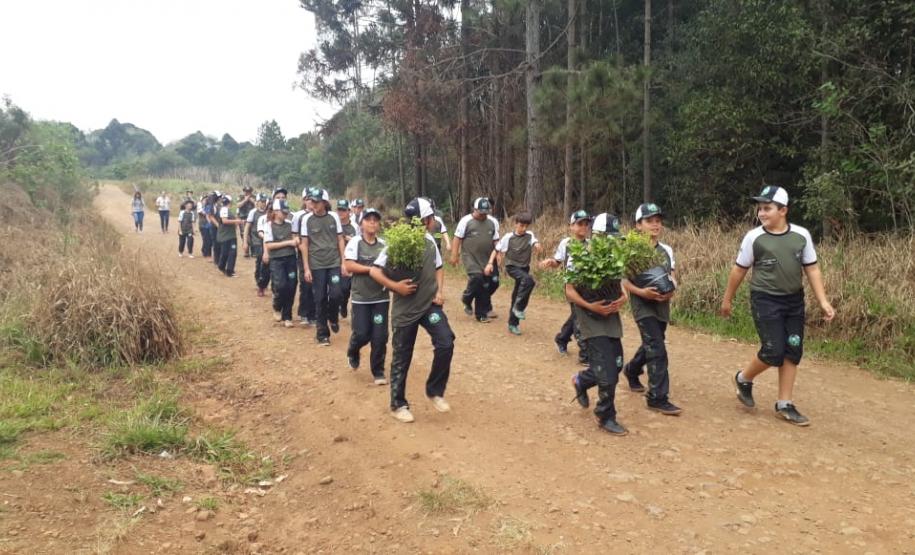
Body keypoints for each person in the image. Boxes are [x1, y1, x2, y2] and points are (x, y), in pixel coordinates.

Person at [721, 186, 835, 426]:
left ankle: (785, 404)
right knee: (773, 350)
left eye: (767, 208)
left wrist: (823, 301)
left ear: (783, 210)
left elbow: (812, 268)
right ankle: (744, 378)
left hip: (794, 300)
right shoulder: (754, 237)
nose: (761, 213)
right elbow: (739, 270)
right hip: (765, 299)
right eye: (760, 208)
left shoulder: (801, 236)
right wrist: (727, 299)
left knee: (793, 350)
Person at [369, 198, 454, 423]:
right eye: (432, 217)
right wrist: (395, 286)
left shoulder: (430, 241)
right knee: (402, 357)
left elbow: (438, 268)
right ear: (424, 220)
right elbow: (375, 271)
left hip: (428, 307)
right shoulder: (400, 242)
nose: (434, 220)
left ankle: (434, 390)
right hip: (405, 311)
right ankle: (397, 404)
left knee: (446, 342)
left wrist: (439, 291)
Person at [620, 203, 682, 416]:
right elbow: (623, 280)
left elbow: (672, 275)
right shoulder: (630, 249)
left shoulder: (666, 250)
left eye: (657, 220)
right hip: (642, 305)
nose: (655, 225)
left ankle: (632, 369)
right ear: (638, 225)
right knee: (657, 348)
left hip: (662, 305)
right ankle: (657, 397)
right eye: (649, 221)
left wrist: (672, 289)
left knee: (652, 343)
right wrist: (641, 292)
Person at [343, 208, 389, 385]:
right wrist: (371, 270)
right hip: (361, 297)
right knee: (362, 333)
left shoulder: (384, 245)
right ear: (362, 223)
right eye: (368, 219)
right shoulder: (355, 242)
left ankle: (378, 371)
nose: (372, 223)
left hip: (381, 297)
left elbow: (389, 267)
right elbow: (349, 266)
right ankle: (353, 350)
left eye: (375, 220)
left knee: (380, 336)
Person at [540, 210, 592, 363]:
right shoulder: (566, 243)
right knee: (579, 319)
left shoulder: (591, 245)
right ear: (571, 226)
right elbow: (558, 261)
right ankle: (585, 355)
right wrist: (550, 262)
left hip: (587, 287)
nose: (583, 227)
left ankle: (561, 339)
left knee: (577, 315)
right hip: (571, 287)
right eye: (579, 224)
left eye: (586, 224)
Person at [300, 188, 348, 346]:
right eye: (311, 201)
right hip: (317, 265)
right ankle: (322, 334)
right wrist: (306, 268)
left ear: (324, 202)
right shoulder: (307, 219)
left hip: (333, 263)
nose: (313, 204)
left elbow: (340, 239)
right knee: (319, 298)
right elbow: (304, 244)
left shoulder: (334, 217)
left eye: (316, 201)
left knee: (336, 294)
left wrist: (343, 262)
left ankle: (333, 317)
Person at [491, 211, 541, 335]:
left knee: (518, 294)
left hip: (524, 268)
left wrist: (537, 245)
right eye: (521, 226)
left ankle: (513, 323)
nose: (524, 229)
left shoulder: (529, 235)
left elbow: (534, 241)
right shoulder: (508, 237)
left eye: (526, 226)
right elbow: (496, 250)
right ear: (515, 224)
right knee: (529, 281)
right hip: (512, 267)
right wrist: (492, 261)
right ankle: (518, 308)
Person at [451, 197, 500, 323]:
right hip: (470, 257)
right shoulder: (466, 221)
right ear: (475, 209)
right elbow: (457, 238)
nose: (483, 214)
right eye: (480, 212)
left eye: (486, 212)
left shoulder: (493, 222)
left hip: (488, 258)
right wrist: (454, 255)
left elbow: (496, 240)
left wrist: (498, 254)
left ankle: (479, 303)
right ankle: (475, 306)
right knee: (478, 279)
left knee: (494, 283)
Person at [263, 199, 298, 328]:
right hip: (277, 260)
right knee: (281, 285)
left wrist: (296, 240)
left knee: (292, 286)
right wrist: (289, 243)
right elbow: (269, 245)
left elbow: (296, 237)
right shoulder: (269, 226)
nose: (285, 214)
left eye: (286, 212)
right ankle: (277, 306)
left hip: (290, 258)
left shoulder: (290, 224)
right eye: (283, 212)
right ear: (276, 211)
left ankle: (287, 315)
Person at [291, 189, 317, 326]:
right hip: (303, 253)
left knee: (316, 285)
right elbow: (294, 234)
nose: (311, 202)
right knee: (306, 284)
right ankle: (304, 313)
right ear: (304, 201)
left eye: (313, 200)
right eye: (308, 199)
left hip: (318, 255)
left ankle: (314, 314)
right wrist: (300, 247)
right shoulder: (299, 216)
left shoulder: (320, 215)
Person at [243, 194, 270, 296]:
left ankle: (263, 281)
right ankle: (259, 281)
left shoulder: (269, 212)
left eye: (264, 201)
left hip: (267, 240)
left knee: (266, 262)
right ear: (257, 202)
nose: (263, 203)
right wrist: (245, 242)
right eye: (261, 201)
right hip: (257, 240)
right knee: (260, 259)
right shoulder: (253, 212)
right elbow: (247, 227)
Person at [337, 199, 358, 318]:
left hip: (350, 260)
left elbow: (360, 241)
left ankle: (344, 305)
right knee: (339, 288)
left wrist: (352, 240)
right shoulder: (334, 224)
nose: (341, 212)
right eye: (339, 209)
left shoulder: (354, 226)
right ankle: (340, 305)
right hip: (336, 259)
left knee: (347, 288)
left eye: (343, 210)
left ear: (349, 211)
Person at [215, 194, 243, 277]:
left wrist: (236, 222)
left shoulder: (228, 210)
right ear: (230, 202)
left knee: (232, 253)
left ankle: (229, 270)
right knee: (226, 253)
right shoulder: (224, 209)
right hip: (225, 235)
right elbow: (225, 221)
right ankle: (223, 267)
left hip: (231, 235)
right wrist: (237, 221)